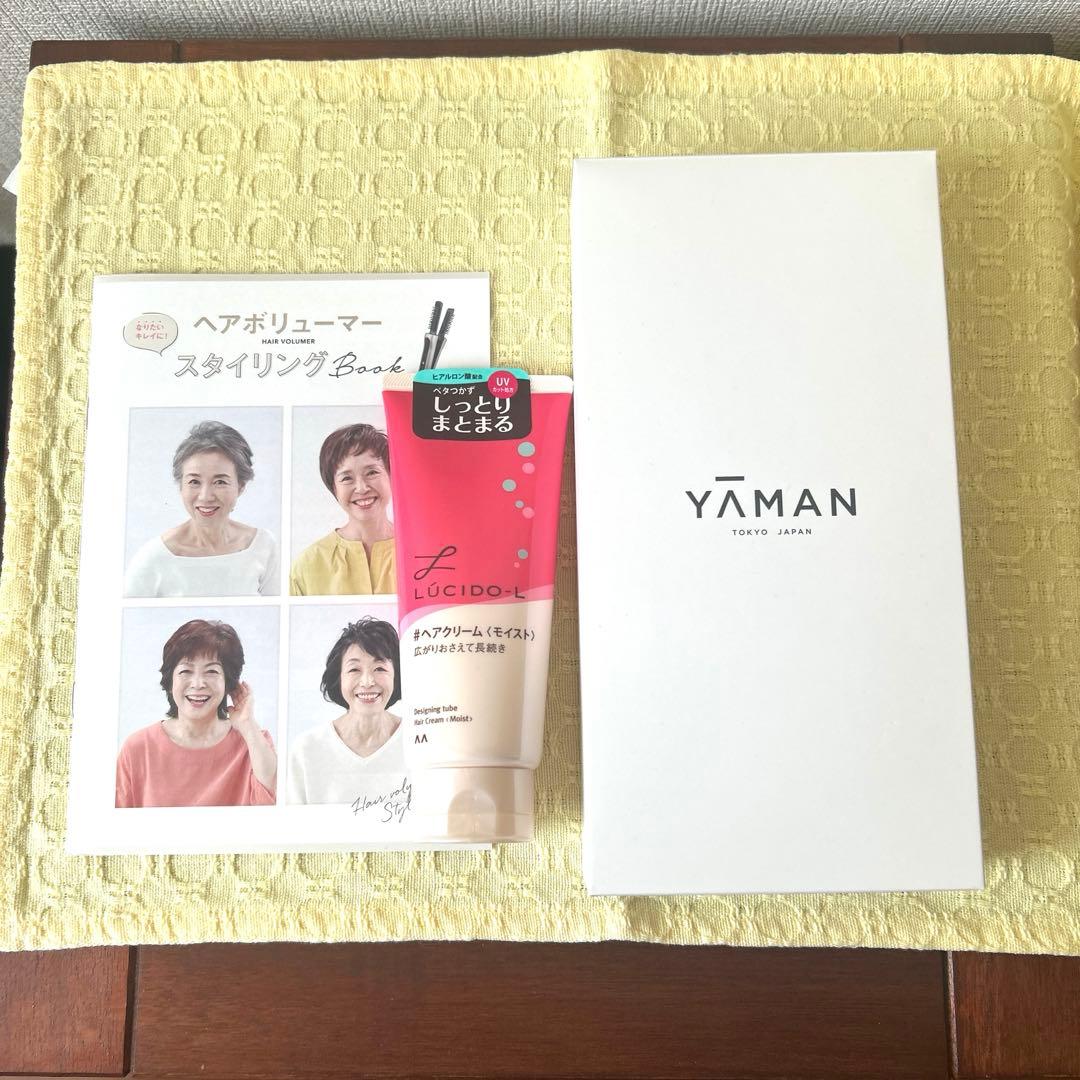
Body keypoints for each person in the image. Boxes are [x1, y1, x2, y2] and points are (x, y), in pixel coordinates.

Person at [116, 619, 277, 807]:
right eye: (186, 671)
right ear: (170, 681)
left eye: (211, 671)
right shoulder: (137, 748)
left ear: (228, 682)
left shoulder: (254, 742)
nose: (198, 683)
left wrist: (247, 724)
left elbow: (271, 802)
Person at [124, 421, 279, 597]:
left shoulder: (263, 546)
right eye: (194, 482)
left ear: (240, 486)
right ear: (181, 486)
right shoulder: (153, 559)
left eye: (220, 482)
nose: (205, 496)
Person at [287, 617, 405, 805]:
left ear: (397, 676)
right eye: (354, 669)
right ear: (339, 677)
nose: (367, 682)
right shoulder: (306, 750)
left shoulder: (419, 741)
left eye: (379, 668)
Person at [289, 423, 395, 595]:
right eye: (346, 478)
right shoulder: (307, 565)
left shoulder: (421, 555)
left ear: (391, 475)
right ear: (334, 488)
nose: (361, 488)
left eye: (372, 472)